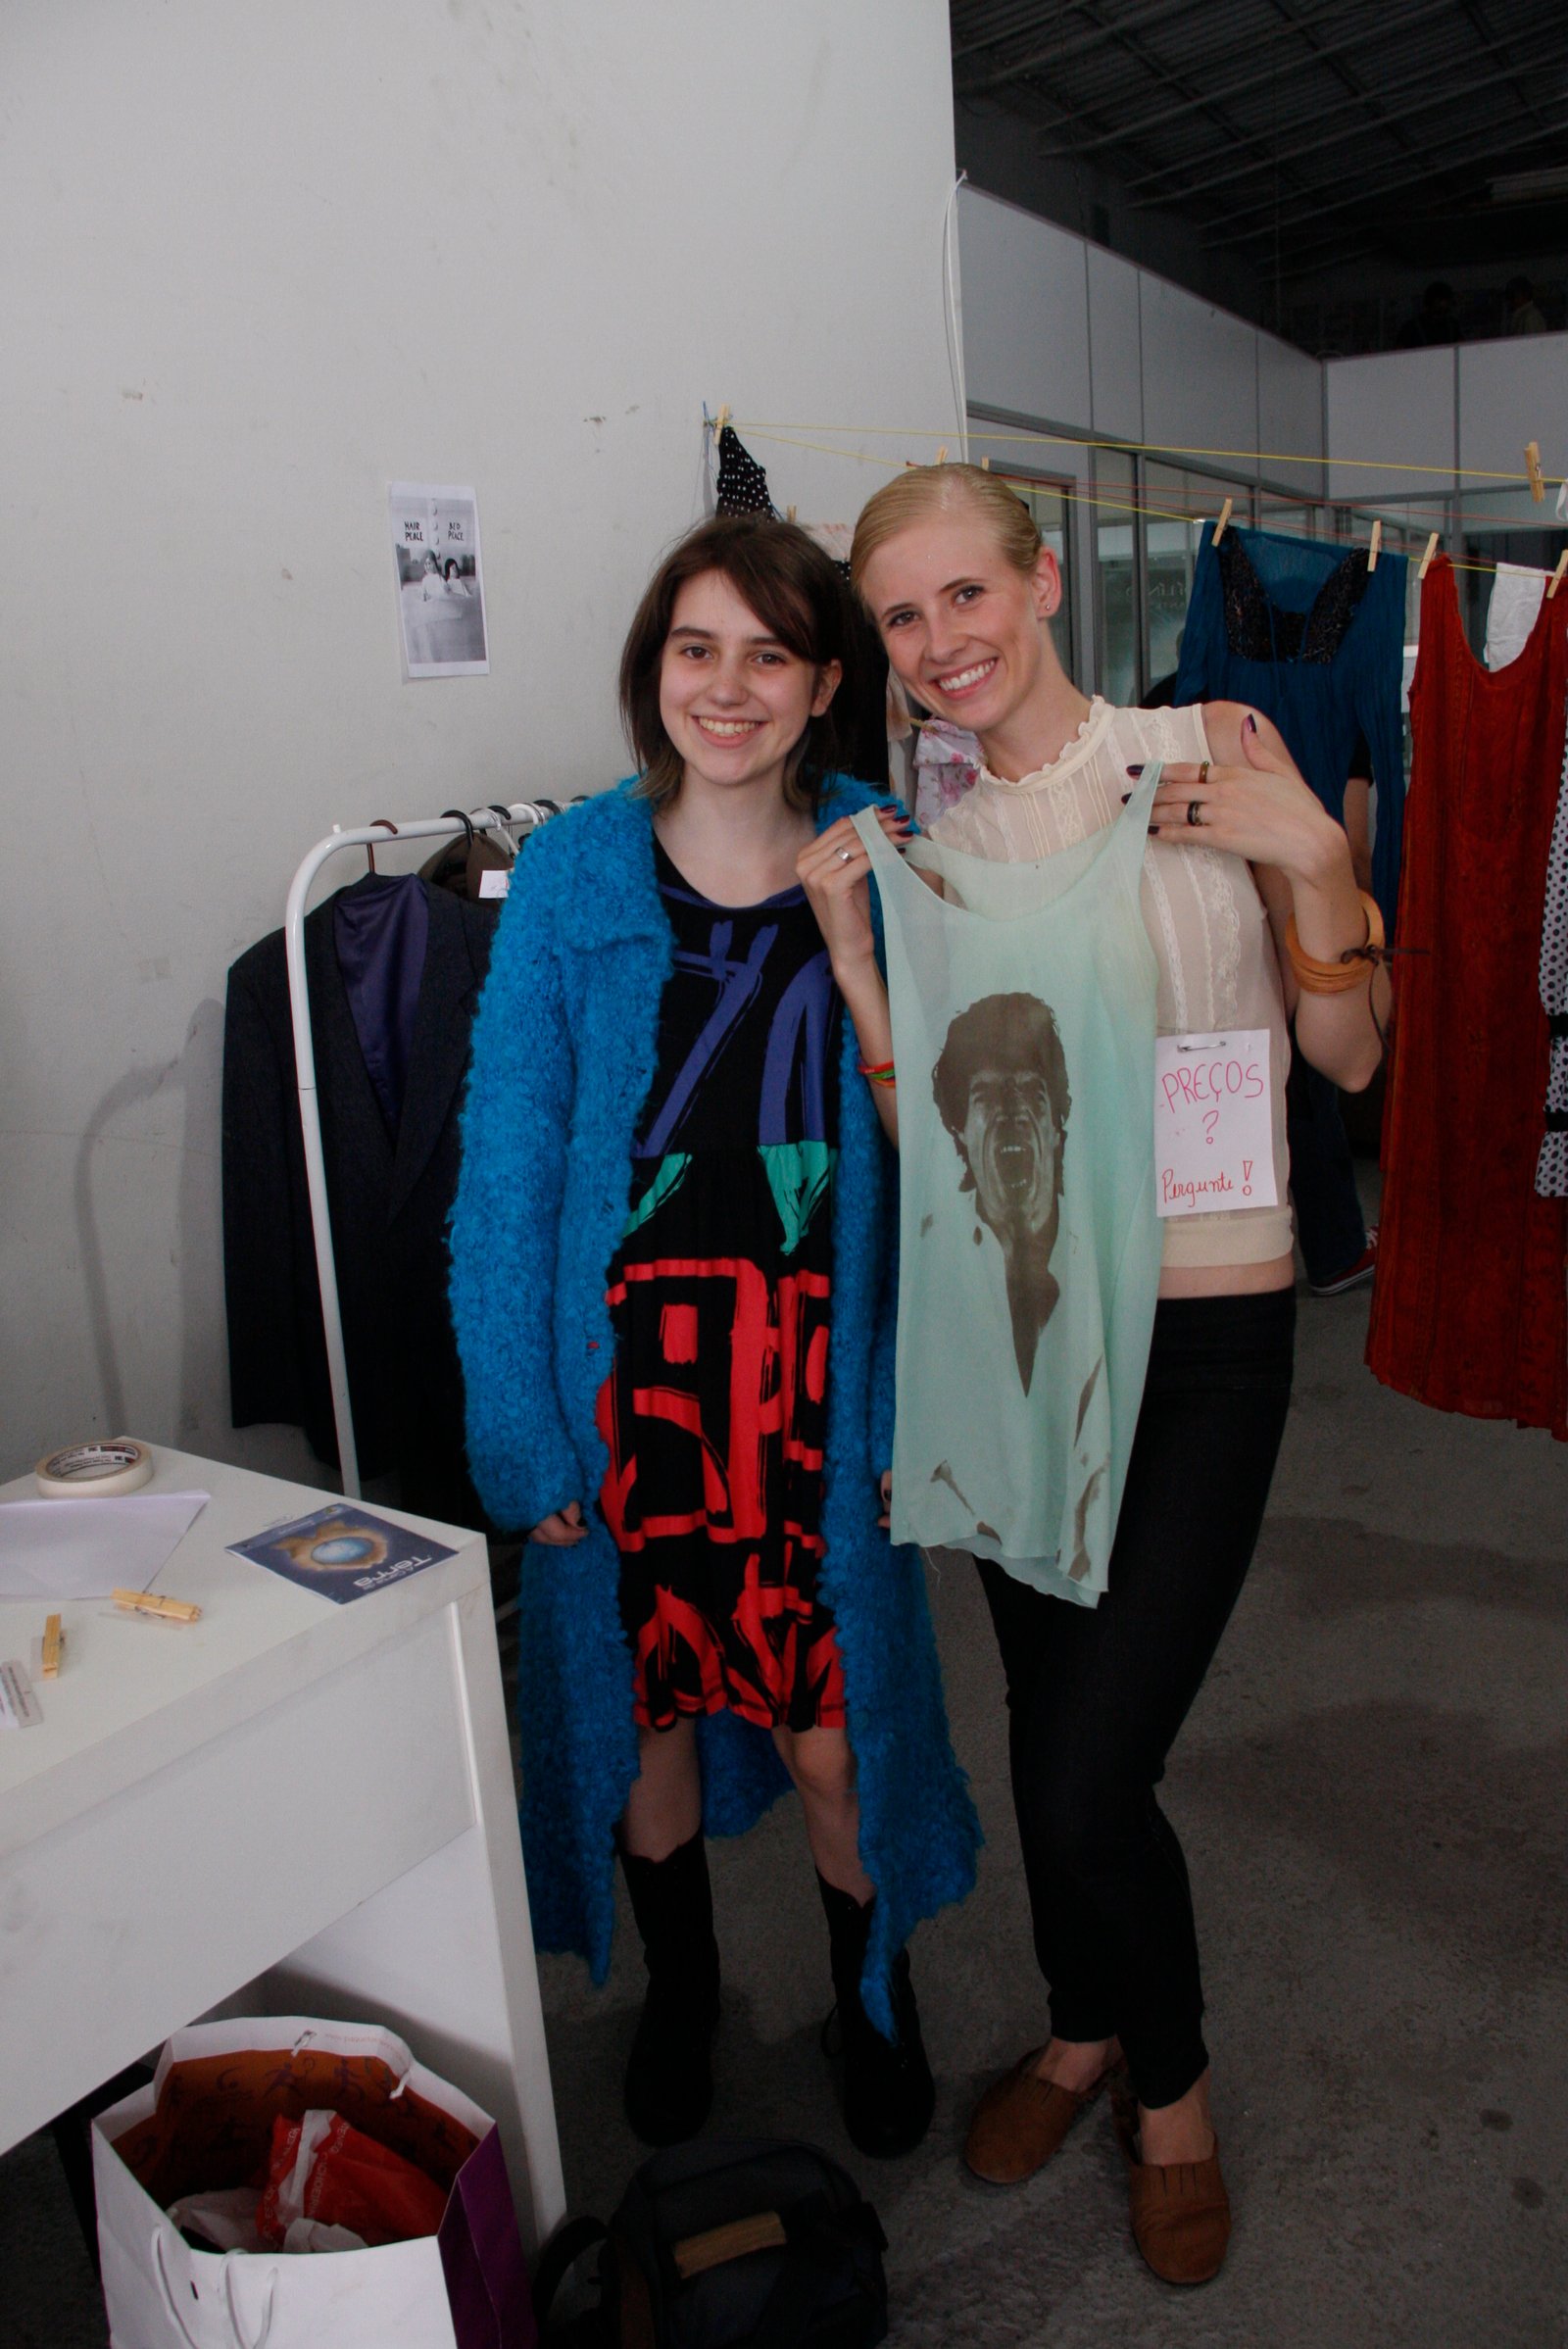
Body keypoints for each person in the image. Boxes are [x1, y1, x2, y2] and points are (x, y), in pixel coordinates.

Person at [799, 465, 1388, 2283]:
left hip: (1207, 1334)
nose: (940, 642)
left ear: (1043, 582)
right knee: (1046, 1714)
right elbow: (939, 1134)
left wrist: (1319, 859)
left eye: (965, 594)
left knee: (1084, 1768)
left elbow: (1350, 1058)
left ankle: (1172, 2089)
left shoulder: (1212, 747)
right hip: (1027, 1326)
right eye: (903, 617)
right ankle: (1079, 2022)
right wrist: (859, 961)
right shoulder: (940, 838)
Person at [450, 514, 978, 2162]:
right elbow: (508, 1159)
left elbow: (954, 1152)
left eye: (768, 654)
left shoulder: (887, 853)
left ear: (824, 681)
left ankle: (873, 1992)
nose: (727, 687)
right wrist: (519, 1422)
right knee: (642, 1721)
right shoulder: (575, 871)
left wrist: (913, 1402)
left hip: (817, 1380)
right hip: (628, 1381)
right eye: (697, 649)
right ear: (654, 669)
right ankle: (682, 1991)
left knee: (838, 1739)